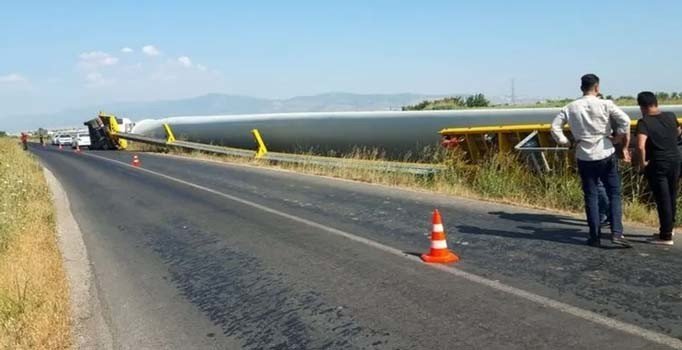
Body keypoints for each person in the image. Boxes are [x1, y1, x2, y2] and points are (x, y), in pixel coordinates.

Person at [551, 74, 631, 247]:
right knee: (614, 193)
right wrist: (618, 138)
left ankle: (594, 235)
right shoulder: (605, 104)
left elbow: (555, 127)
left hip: (584, 154)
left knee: (591, 195)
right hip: (605, 151)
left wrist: (566, 142)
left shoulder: (570, 107)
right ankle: (617, 232)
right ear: (597, 87)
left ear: (581, 88)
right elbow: (625, 120)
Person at [635, 91, 680, 245]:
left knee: (663, 198)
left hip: (658, 163)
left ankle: (665, 236)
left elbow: (640, 147)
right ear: (656, 103)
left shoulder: (644, 122)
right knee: (672, 194)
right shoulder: (671, 116)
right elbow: (678, 132)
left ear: (641, 106)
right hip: (675, 160)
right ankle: (669, 228)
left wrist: (642, 165)